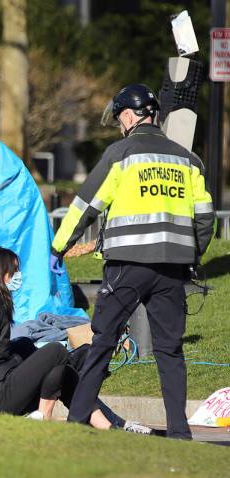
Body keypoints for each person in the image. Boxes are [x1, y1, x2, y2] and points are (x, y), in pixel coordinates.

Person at [51, 84, 215, 440]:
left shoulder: (121, 154)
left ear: (128, 116)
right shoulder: (187, 160)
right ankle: (180, 433)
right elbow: (205, 217)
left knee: (103, 341)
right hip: (172, 269)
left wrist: (58, 247)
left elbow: (85, 205)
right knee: (170, 351)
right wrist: (193, 255)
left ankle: (77, 421)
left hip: (126, 266)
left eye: (119, 119)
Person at [0, 248, 152, 433]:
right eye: (15, 271)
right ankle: (44, 416)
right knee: (55, 352)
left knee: (51, 364)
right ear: (1, 274)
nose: (19, 276)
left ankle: (108, 426)